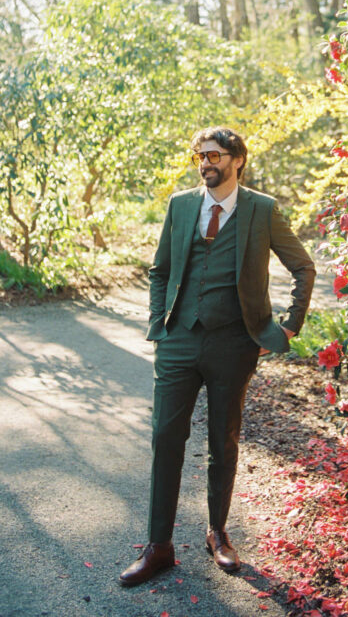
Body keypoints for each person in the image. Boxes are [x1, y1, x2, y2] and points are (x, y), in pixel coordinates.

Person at [118, 127, 316, 586]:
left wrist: (287, 327)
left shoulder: (261, 210)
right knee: (166, 438)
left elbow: (302, 266)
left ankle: (218, 533)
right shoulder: (181, 204)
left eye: (213, 155)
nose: (204, 162)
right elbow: (161, 269)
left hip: (235, 343)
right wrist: (158, 325)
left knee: (223, 441)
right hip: (179, 339)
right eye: (199, 155)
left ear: (237, 160)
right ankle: (158, 547)